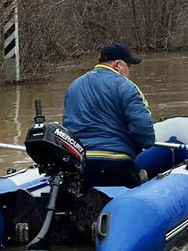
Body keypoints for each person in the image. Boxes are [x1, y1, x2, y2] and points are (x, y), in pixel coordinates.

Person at [63, 41, 154, 188]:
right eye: (128, 66)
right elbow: (143, 128)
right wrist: (145, 144)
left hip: (79, 163)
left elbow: (68, 124)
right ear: (117, 65)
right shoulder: (126, 86)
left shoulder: (74, 86)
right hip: (116, 162)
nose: (129, 71)